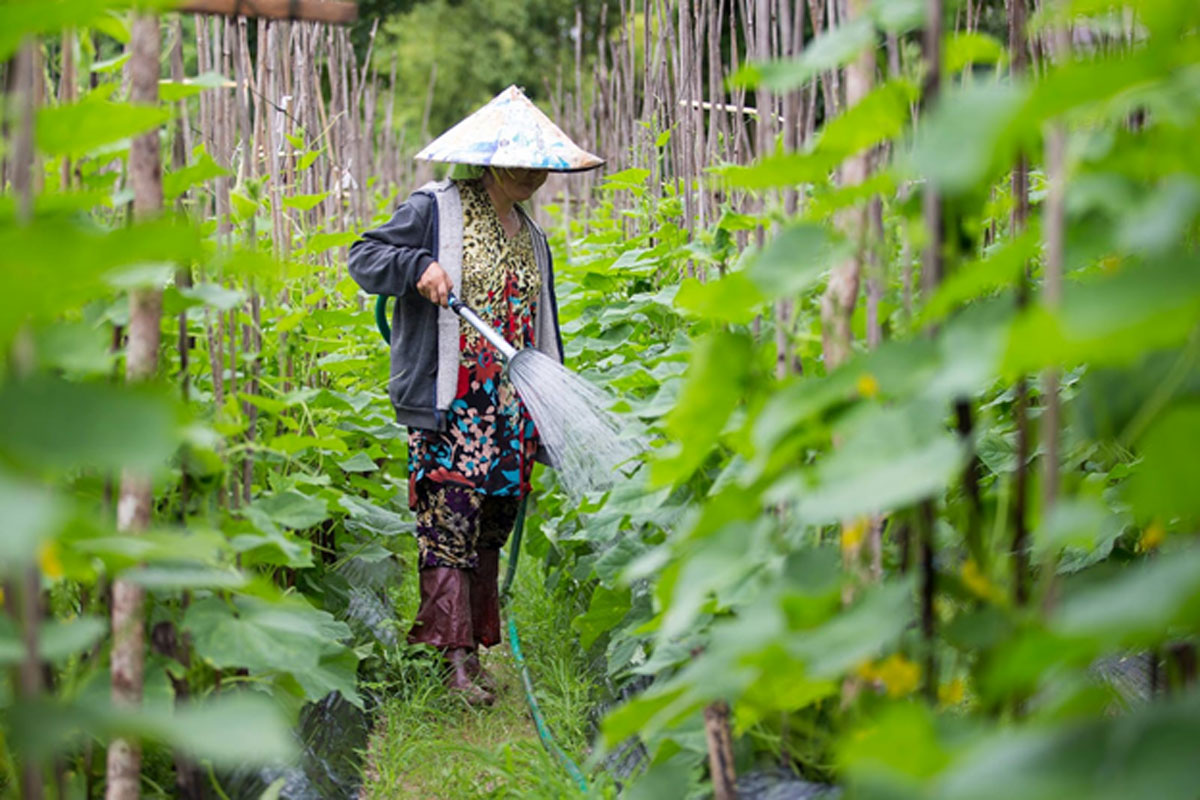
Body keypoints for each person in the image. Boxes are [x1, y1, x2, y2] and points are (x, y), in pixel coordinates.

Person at [347, 85, 604, 705]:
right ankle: (452, 662)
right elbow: (364, 255)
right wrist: (417, 268)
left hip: (509, 410)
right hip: (452, 405)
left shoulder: (531, 236)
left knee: (488, 527)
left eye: (543, 163)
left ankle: (472, 651)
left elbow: (538, 327)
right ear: (491, 158)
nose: (536, 174)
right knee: (449, 525)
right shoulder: (437, 209)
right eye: (524, 160)